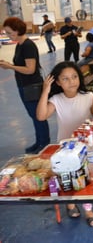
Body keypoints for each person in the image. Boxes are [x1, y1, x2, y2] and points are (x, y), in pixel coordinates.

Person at [36, 61, 93, 227]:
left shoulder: (89, 97)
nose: (71, 81)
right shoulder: (56, 100)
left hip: (85, 149)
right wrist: (45, 91)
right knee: (66, 178)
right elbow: (41, 116)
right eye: (65, 79)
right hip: (64, 150)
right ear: (57, 83)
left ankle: (88, 209)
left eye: (74, 77)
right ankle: (70, 204)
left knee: (84, 180)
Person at [0, 17, 50, 154]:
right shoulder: (19, 45)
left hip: (32, 86)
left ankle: (44, 143)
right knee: (33, 116)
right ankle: (39, 141)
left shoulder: (28, 46)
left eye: (10, 32)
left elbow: (30, 69)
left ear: (17, 30)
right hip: (24, 85)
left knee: (38, 116)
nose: (8, 36)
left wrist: (10, 66)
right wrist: (9, 65)